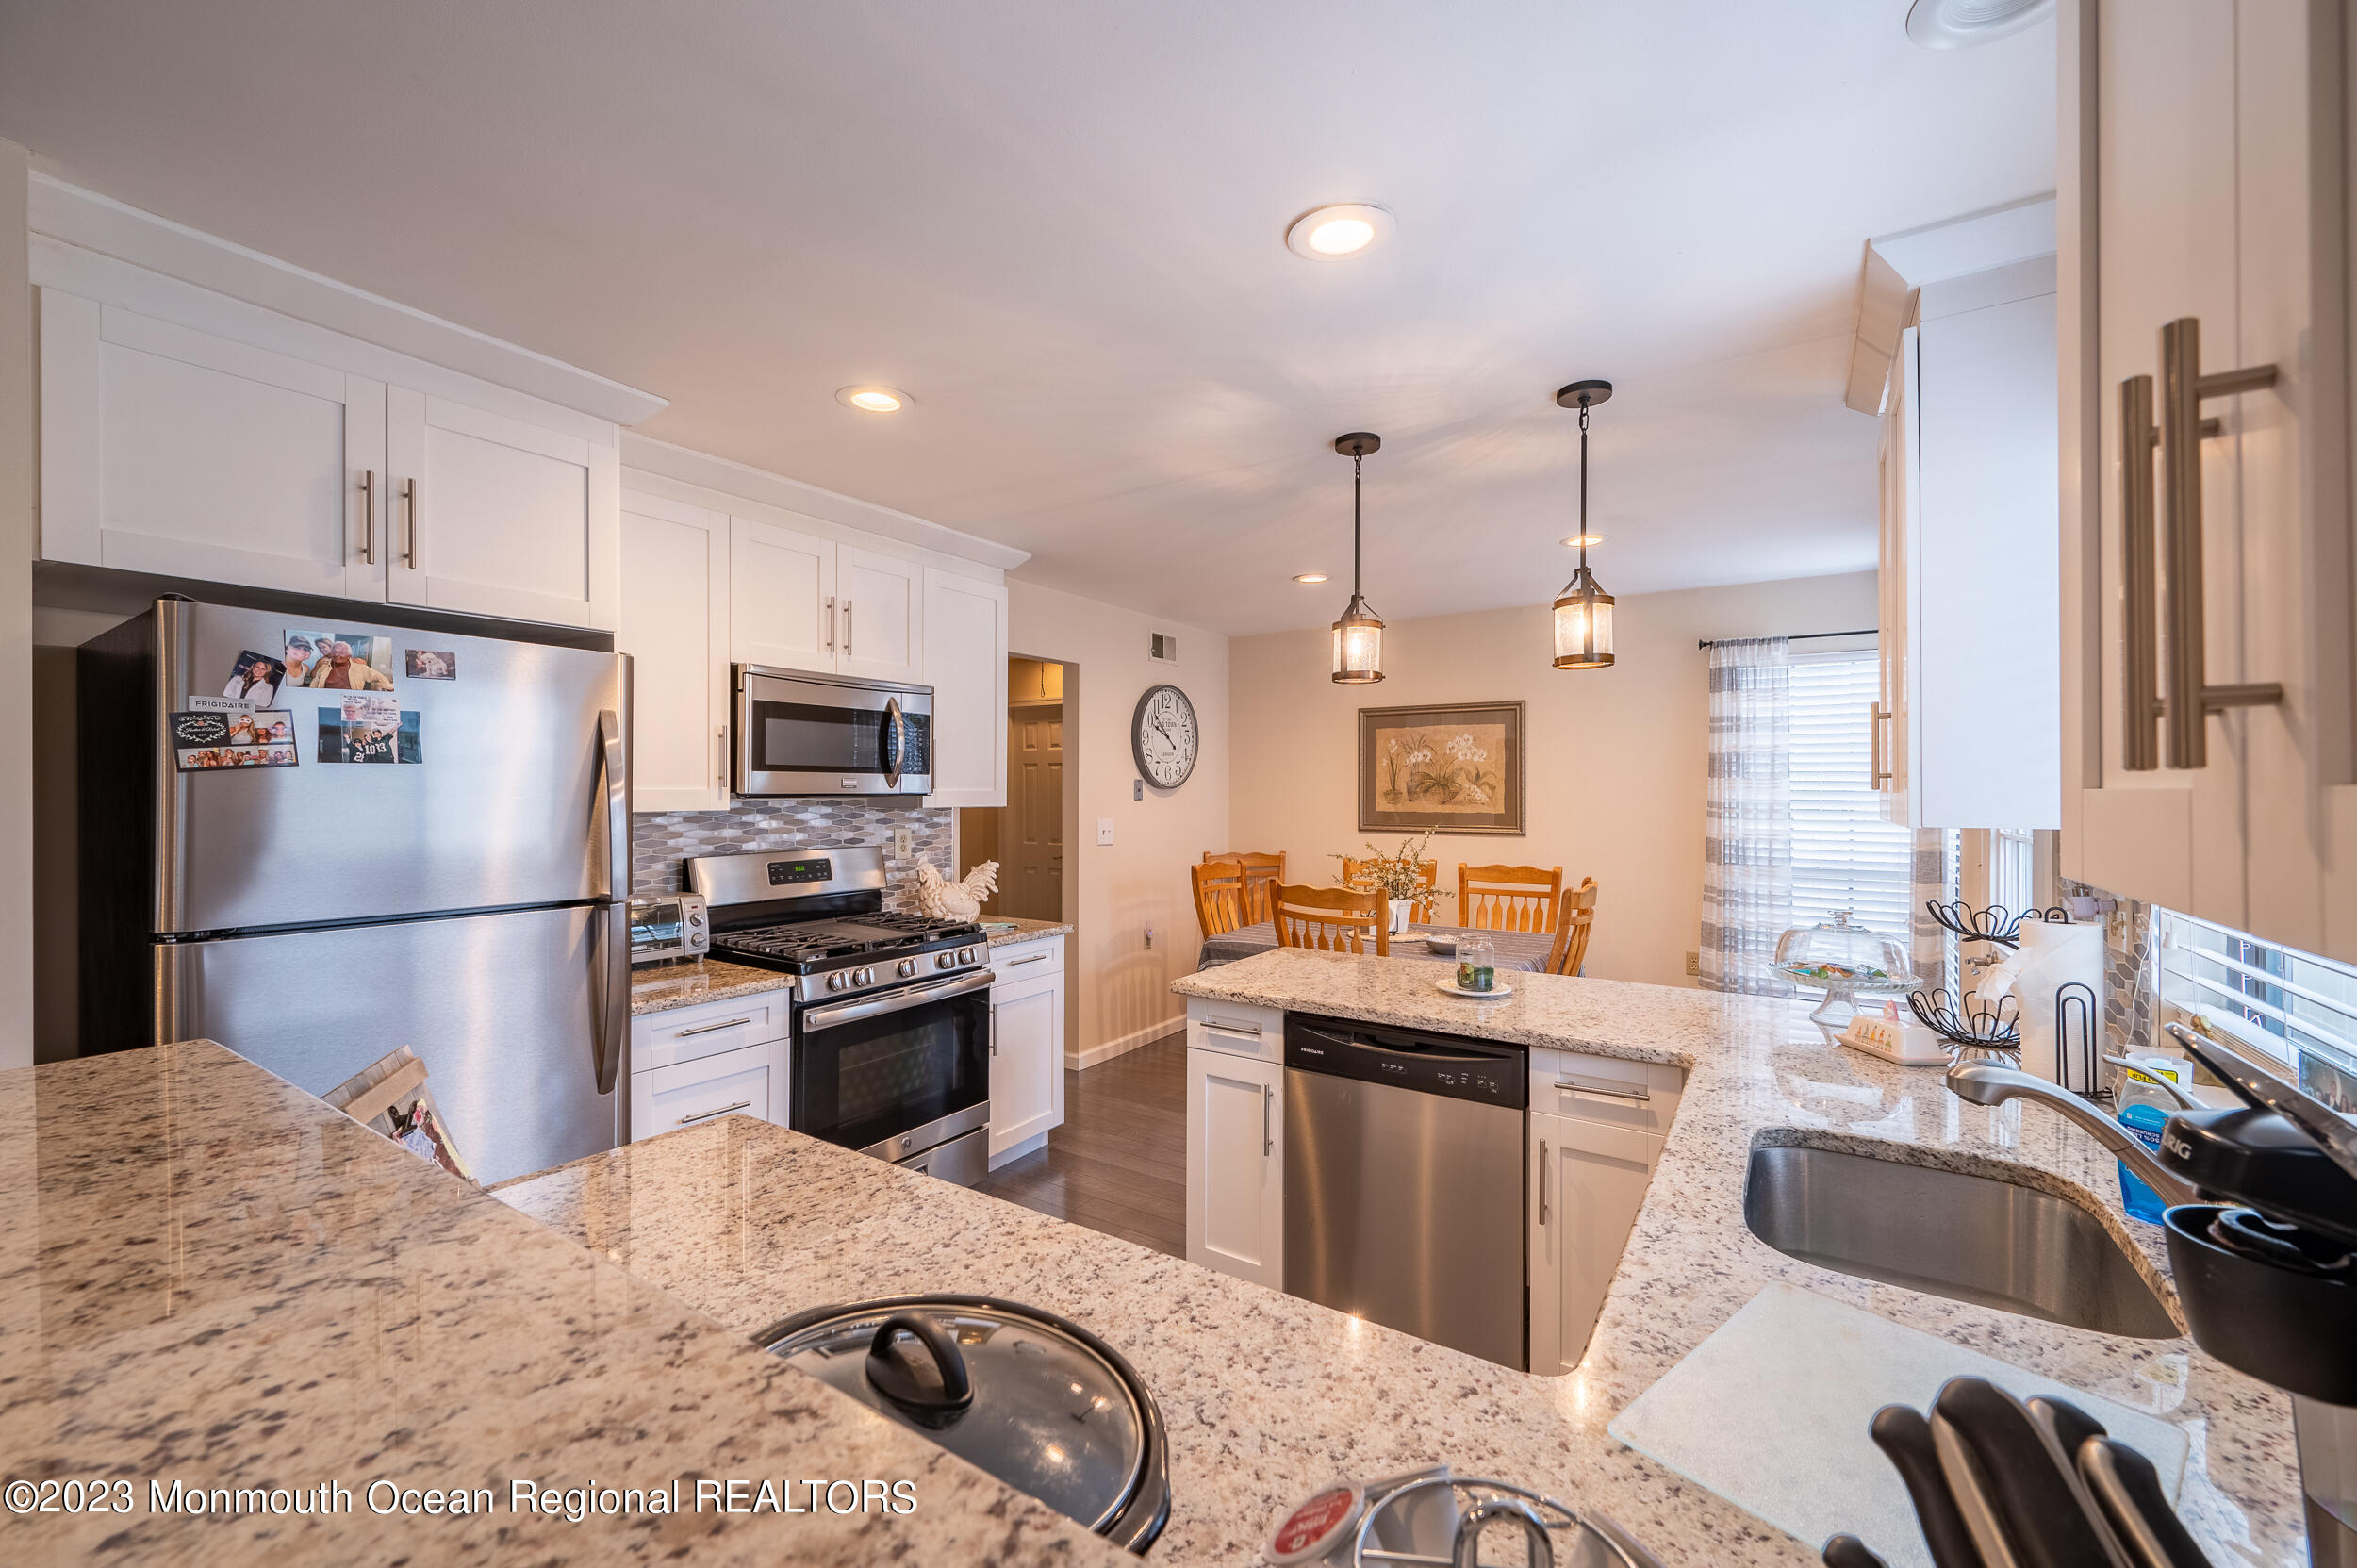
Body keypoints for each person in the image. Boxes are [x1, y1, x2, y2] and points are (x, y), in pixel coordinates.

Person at [303, 640, 394, 691]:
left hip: (351, 704)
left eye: (341, 652)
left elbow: (380, 677)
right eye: (334, 652)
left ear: (349, 655)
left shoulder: (360, 667)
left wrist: (387, 687)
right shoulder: (323, 666)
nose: (337, 655)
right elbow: (314, 683)